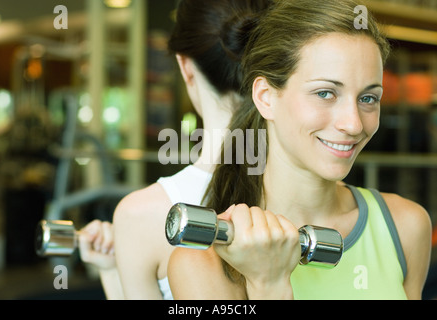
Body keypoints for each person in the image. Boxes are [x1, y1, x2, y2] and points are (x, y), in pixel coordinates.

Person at [168, 0, 432, 300]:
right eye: (325, 93)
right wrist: (269, 283)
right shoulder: (203, 264)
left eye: (369, 98)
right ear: (266, 97)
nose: (353, 124)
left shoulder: (405, 226)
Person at [94, 0, 271, 299]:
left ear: (185, 66)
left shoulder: (141, 215)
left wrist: (112, 272)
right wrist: (113, 269)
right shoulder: (321, 196)